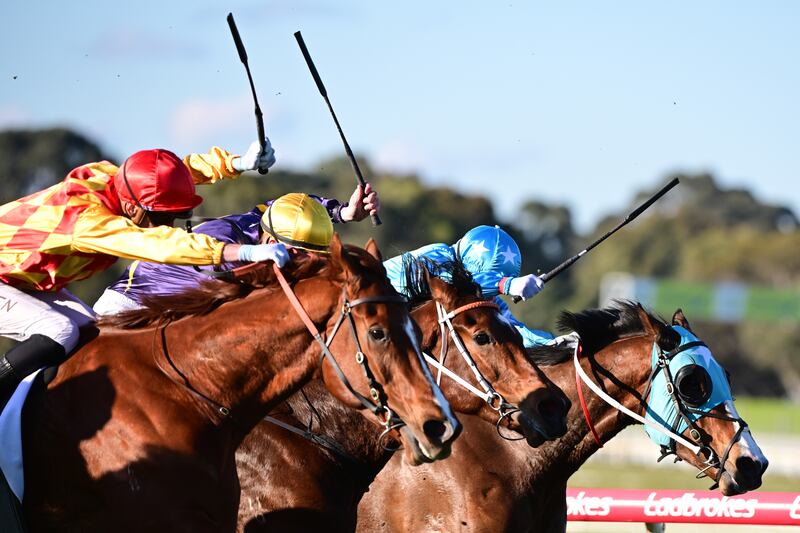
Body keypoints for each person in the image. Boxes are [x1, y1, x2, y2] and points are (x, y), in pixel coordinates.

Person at [0, 139, 288, 396]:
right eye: (162, 219)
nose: (168, 227)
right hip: (7, 278)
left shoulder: (119, 181)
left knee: (95, 335)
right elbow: (159, 246)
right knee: (59, 331)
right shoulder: (89, 223)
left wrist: (235, 163)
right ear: (131, 209)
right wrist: (243, 251)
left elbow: (170, 175)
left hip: (17, 279)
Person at [92, 185, 378, 314]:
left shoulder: (267, 219)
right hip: (129, 306)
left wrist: (344, 213)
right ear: (272, 242)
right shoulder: (228, 251)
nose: (304, 264)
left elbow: (300, 204)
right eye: (299, 255)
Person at [383, 224, 555, 348]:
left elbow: (513, 328)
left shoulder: (485, 295)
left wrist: (552, 342)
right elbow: (453, 284)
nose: (490, 294)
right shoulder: (438, 255)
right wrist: (506, 284)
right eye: (489, 278)